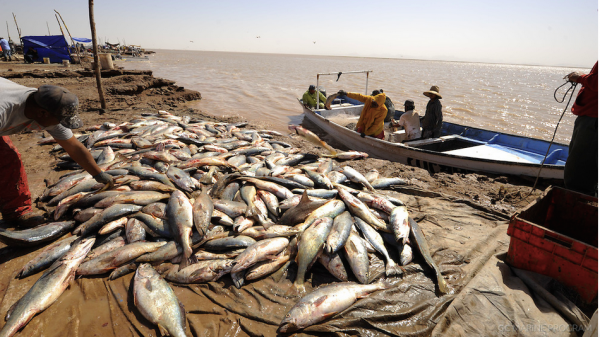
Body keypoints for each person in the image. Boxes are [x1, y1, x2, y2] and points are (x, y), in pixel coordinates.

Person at [0, 78, 114, 227]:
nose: (60, 124)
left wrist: (98, 174)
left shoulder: (45, 107)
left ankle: (17, 212)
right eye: (60, 120)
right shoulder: (5, 109)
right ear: (42, 113)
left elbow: (74, 147)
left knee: (9, 159)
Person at [563, 61, 598, 196]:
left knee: (579, 169)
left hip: (593, 119)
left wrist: (580, 77)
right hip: (590, 118)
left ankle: (577, 201)